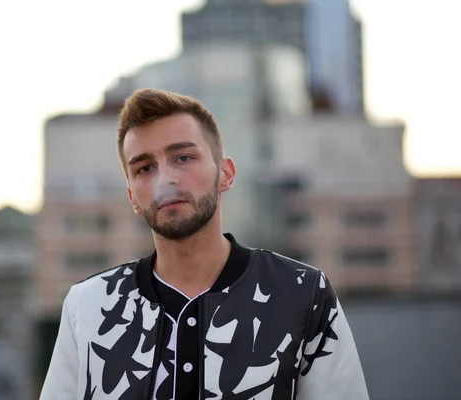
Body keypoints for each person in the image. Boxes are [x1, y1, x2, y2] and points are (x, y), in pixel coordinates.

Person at [40, 88, 369, 399]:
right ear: (132, 198)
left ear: (225, 174)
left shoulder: (304, 293)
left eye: (183, 158)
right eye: (144, 168)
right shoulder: (87, 306)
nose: (165, 179)